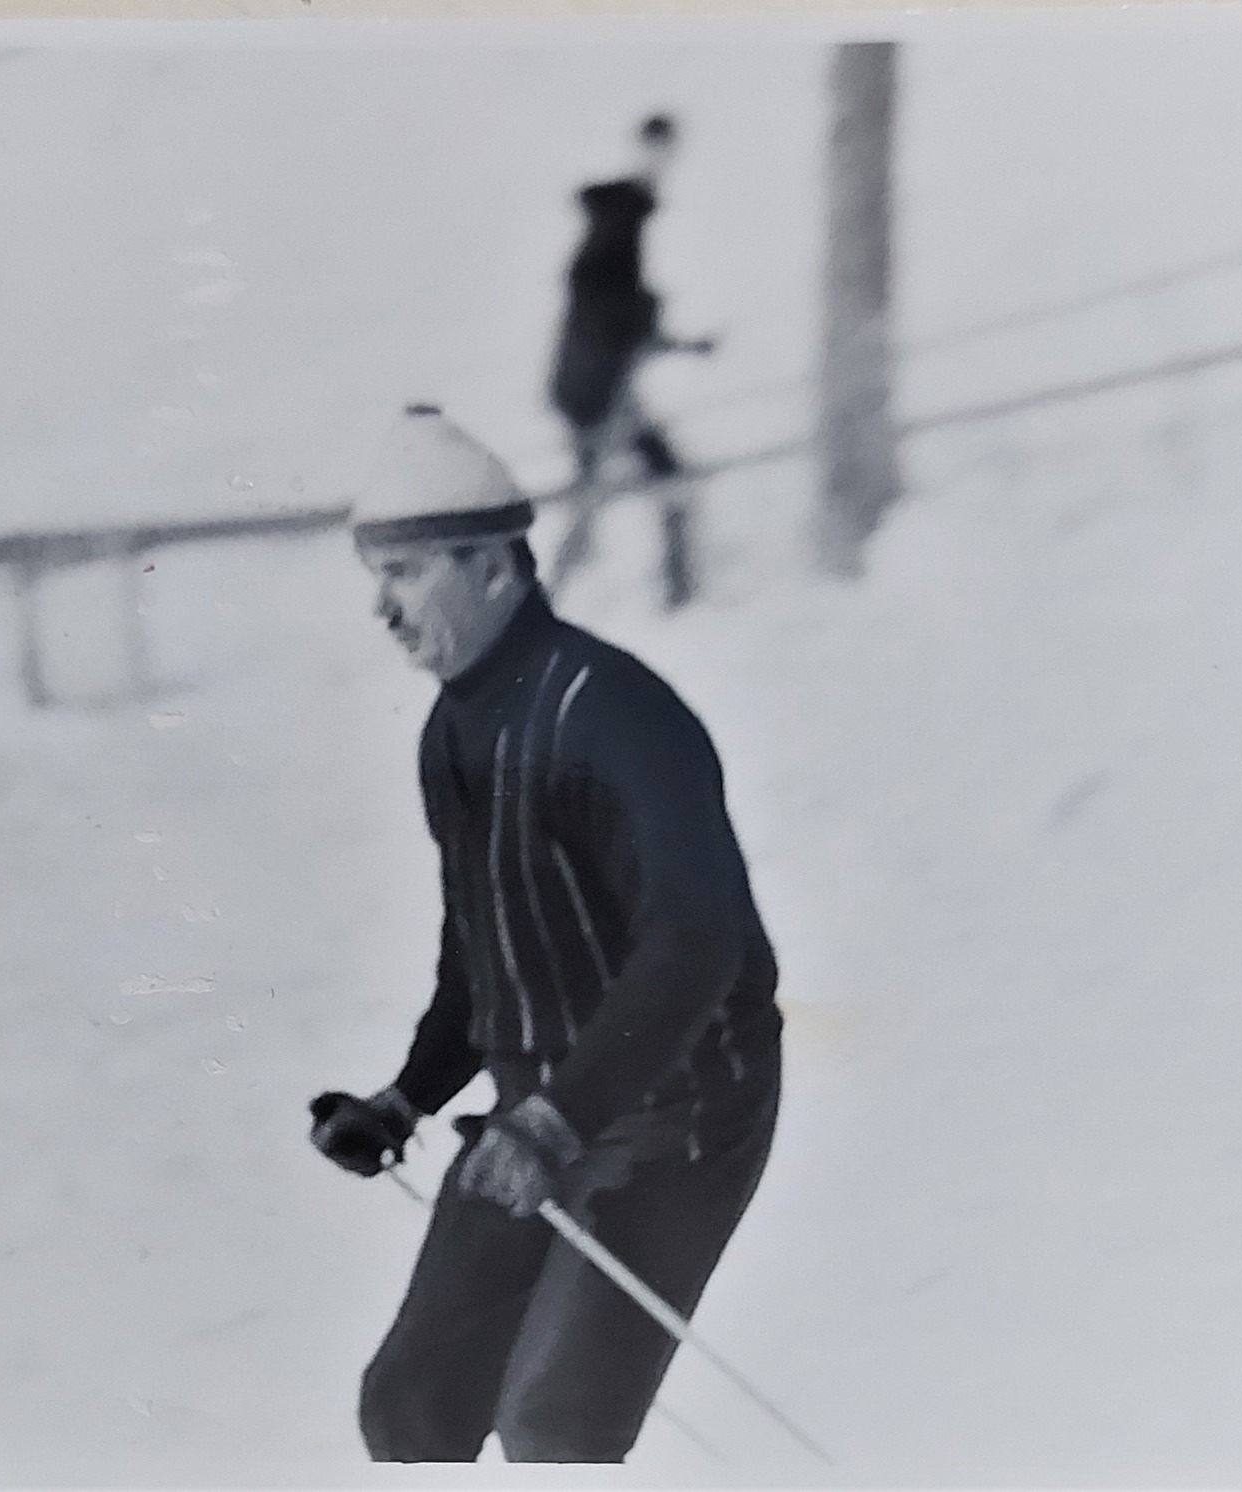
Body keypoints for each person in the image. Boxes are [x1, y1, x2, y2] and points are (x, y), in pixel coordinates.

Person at [309, 404, 783, 1463]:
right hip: (541, 1113)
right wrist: (405, 1097)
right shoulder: (451, 732)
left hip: (675, 1115)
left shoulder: (613, 712)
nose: (383, 611)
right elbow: (484, 950)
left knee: (554, 1427)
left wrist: (558, 1121)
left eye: (408, 573)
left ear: (492, 569)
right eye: (375, 578)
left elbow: (695, 939)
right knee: (408, 1403)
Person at [548, 113, 718, 610]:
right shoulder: (618, 224)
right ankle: (678, 596)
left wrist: (679, 341)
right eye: (658, 150)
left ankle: (676, 593)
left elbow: (619, 323)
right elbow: (601, 311)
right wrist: (647, 313)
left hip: (596, 388)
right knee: (651, 484)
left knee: (602, 497)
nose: (664, 164)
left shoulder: (622, 222)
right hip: (596, 392)